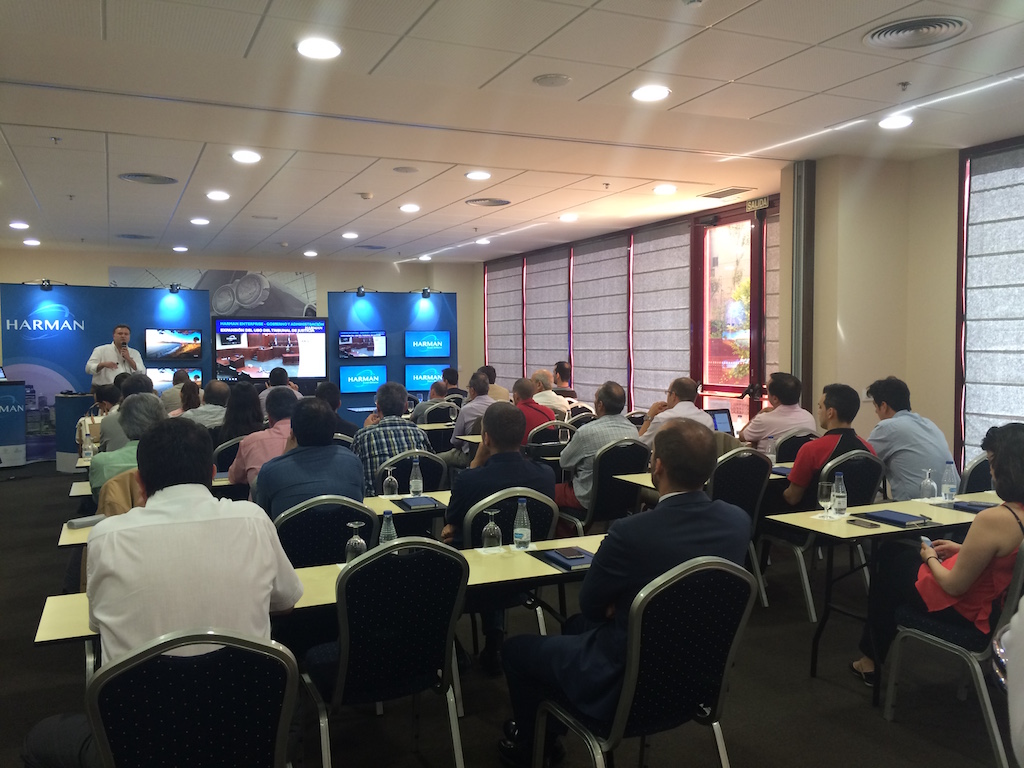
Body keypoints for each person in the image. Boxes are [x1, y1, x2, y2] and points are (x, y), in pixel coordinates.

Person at [22, 418, 303, 768]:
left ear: (139, 481)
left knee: (39, 739)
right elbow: (286, 603)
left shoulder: (106, 536)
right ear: (212, 473)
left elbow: (97, 625)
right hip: (244, 728)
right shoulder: (254, 519)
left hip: (139, 740)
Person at [499, 419, 751, 765]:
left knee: (516, 651)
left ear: (657, 466)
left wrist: (621, 606)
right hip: (698, 673)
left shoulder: (631, 532)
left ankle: (534, 748)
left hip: (628, 680)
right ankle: (551, 723)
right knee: (574, 627)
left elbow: (591, 604)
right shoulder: (737, 522)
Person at [849, 423, 1024, 687]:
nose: (990, 471)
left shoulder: (995, 519)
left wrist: (929, 557)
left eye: (991, 463)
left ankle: (870, 660)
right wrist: (964, 549)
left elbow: (954, 586)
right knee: (897, 559)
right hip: (1006, 613)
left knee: (890, 559)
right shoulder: (1013, 518)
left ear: (1007, 468)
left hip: (972, 611)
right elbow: (1013, 558)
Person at [442, 401, 556, 674]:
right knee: (499, 548)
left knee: (478, 549)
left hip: (473, 580)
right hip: (526, 575)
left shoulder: (471, 480)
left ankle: (451, 648)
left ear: (486, 438)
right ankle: (494, 641)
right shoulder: (545, 475)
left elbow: (451, 519)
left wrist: (475, 463)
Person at [254, 397, 364, 519]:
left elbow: (264, 520)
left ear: (292, 434)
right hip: (346, 531)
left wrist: (285, 455)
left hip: (292, 532)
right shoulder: (353, 463)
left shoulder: (270, 472)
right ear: (333, 431)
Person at [783, 383, 876, 508]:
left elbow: (793, 497)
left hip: (814, 517)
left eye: (820, 407)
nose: (818, 411)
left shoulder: (811, 449)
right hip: (857, 517)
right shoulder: (869, 450)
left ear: (830, 413)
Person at [866, 376, 957, 501]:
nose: (876, 412)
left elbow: (864, 464)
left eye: (876, 407)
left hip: (914, 505)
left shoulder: (887, 427)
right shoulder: (929, 424)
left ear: (883, 406)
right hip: (952, 499)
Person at [555, 381, 638, 513]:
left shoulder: (586, 432)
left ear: (600, 404)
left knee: (546, 491)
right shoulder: (633, 431)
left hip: (588, 498)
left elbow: (564, 463)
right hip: (622, 498)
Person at [352, 382, 433, 496]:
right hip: (415, 500)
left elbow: (352, 470)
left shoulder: (363, 436)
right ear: (406, 407)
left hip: (375, 503)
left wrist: (366, 429)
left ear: (378, 407)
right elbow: (432, 463)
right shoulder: (419, 434)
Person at [89, 393, 166, 498]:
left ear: (122, 424)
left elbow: (99, 500)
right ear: (164, 419)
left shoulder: (101, 463)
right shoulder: (176, 460)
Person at [228, 387, 297, 489]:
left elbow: (234, 477)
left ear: (269, 419)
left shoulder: (250, 442)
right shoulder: (310, 440)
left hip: (258, 499)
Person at [738, 372, 817, 450]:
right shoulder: (809, 417)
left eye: (767, 391)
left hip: (769, 459)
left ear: (775, 399)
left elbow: (742, 436)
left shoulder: (764, 420)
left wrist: (761, 412)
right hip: (801, 459)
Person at [437, 372, 495, 469]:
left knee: (436, 459)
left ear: (472, 390)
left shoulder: (466, 410)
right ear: (488, 389)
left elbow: (455, 441)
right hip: (491, 455)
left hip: (469, 456)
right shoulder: (496, 407)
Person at [637, 376, 713, 446]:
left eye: (668, 393)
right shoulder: (707, 419)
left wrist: (649, 416)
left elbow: (639, 446)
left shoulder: (662, 419)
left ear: (673, 396)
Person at [98, 373, 155, 452]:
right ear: (152, 394)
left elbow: (102, 451)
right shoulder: (163, 420)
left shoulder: (108, 421)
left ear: (122, 396)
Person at [85, 324, 143, 388]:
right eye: (120, 334)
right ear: (114, 336)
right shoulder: (100, 350)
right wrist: (102, 364)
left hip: (127, 389)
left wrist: (129, 359)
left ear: (129, 337)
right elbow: (88, 369)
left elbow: (142, 372)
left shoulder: (134, 353)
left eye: (126, 334)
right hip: (104, 388)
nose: (123, 336)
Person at [76, 384, 120, 454]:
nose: (98, 408)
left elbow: (102, 447)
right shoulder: (129, 413)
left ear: (104, 404)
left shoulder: (107, 420)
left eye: (98, 405)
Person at [512, 377, 555, 444]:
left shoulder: (513, 414)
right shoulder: (549, 412)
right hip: (548, 449)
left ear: (516, 396)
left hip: (523, 449)